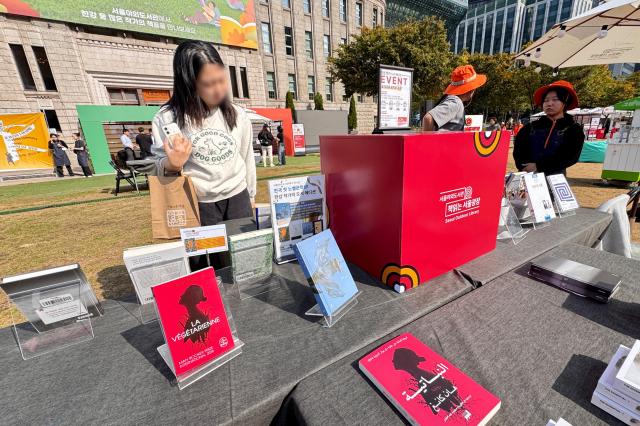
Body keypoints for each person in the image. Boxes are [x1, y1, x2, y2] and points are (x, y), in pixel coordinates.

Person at [152, 40, 256, 228]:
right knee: (207, 257)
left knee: (244, 256)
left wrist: (251, 195)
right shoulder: (168, 118)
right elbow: (155, 167)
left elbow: (247, 157)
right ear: (188, 84)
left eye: (222, 80)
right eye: (208, 84)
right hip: (196, 204)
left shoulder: (237, 114)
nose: (219, 90)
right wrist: (172, 164)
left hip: (238, 199)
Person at [514, 80, 584, 176]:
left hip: (556, 177)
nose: (549, 103)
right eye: (546, 100)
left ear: (565, 101)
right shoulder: (530, 127)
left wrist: (539, 166)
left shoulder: (574, 129)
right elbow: (518, 150)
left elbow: (570, 156)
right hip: (528, 175)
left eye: (555, 99)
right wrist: (524, 166)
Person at [422, 64, 487, 132]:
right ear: (471, 89)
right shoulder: (456, 102)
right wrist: (426, 141)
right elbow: (428, 118)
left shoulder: (455, 101)